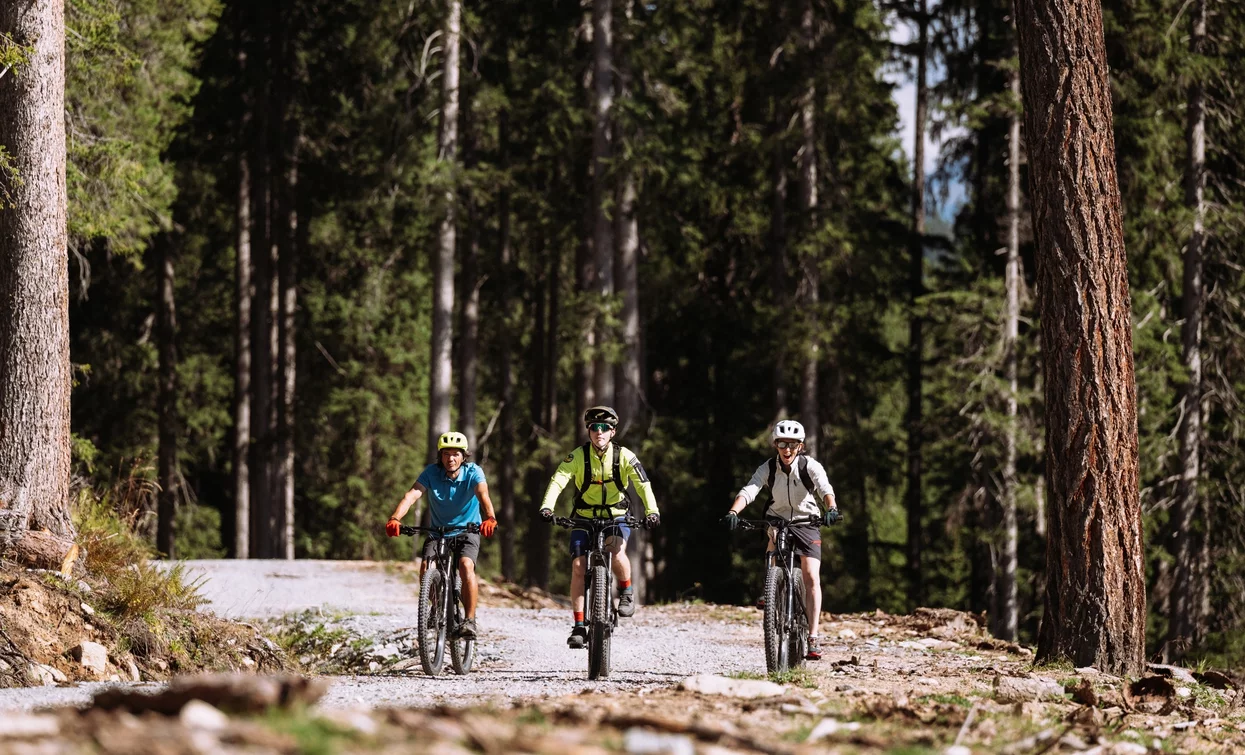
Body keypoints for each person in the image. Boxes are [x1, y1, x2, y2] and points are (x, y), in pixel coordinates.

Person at [539, 406, 660, 649]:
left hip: (616, 516)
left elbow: (643, 485)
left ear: (613, 432)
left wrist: (652, 511)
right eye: (594, 427)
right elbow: (559, 479)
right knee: (578, 566)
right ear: (589, 431)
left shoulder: (624, 456)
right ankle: (579, 626)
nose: (599, 432)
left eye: (605, 428)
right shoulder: (577, 457)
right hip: (584, 517)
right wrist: (547, 507)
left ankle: (626, 591)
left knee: (615, 550)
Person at [722, 420, 840, 660]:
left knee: (811, 576)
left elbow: (825, 489)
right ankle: (771, 586)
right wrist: (734, 512)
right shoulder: (768, 468)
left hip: (808, 521)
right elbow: (750, 490)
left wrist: (832, 509)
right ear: (776, 445)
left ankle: (813, 637)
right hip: (778, 519)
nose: (787, 450)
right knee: (773, 537)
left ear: (800, 446)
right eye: (782, 444)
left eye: (793, 445)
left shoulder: (810, 466)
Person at [386, 431, 498, 640]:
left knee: (465, 566)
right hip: (438, 532)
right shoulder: (431, 473)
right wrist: (395, 518)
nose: (451, 459)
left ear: (464, 456)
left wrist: (490, 517)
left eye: (456, 454)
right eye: (446, 454)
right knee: (426, 568)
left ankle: (470, 620)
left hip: (468, 531)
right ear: (440, 456)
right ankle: (436, 607)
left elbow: (483, 495)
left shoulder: (474, 472)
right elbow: (412, 495)